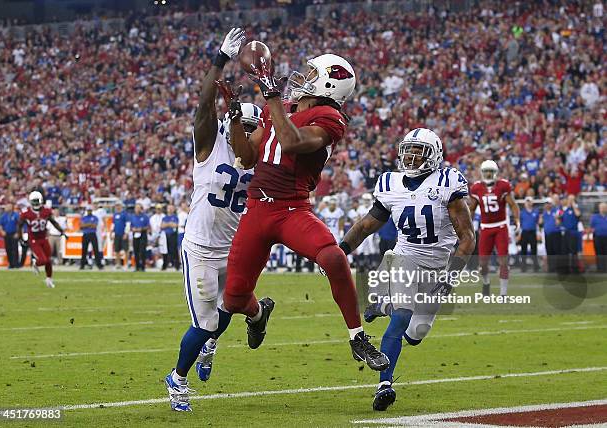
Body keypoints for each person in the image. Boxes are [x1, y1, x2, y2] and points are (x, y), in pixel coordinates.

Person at [221, 50, 388, 371]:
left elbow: (292, 142)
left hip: (291, 208)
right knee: (234, 298)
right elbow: (245, 158)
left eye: (314, 75)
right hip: (257, 208)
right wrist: (234, 119)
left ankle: (357, 337)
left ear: (329, 86)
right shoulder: (281, 108)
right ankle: (258, 316)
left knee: (333, 256)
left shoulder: (330, 118)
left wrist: (270, 96)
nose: (305, 79)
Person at [341, 128, 475, 411]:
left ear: (434, 155)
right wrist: (340, 251)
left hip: (438, 265)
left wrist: (450, 277)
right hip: (405, 258)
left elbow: (467, 239)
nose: (412, 156)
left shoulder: (448, 182)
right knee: (402, 317)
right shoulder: (391, 184)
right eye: (408, 150)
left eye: (419, 151)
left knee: (416, 333)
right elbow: (367, 225)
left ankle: (382, 305)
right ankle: (384, 385)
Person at [164, 28, 263, 412]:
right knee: (206, 323)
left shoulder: (260, 156)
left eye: (256, 130)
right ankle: (178, 379)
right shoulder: (211, 145)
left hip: (235, 249)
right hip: (202, 248)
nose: (250, 136)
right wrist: (219, 60)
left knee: (231, 308)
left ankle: (214, 341)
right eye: (245, 127)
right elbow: (203, 107)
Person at [468, 160, 520, 296]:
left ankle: (503, 294)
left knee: (503, 260)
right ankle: (486, 283)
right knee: (483, 265)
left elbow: (513, 205)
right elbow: (472, 209)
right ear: (482, 173)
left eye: (491, 171)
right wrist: (468, 225)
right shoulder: (476, 188)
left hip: (501, 226)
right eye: (486, 171)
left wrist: (517, 220)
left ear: (495, 172)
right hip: (485, 228)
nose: (488, 174)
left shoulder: (503, 186)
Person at [17, 191, 67, 288]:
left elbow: (53, 222)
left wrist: (62, 231)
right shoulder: (26, 213)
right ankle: (35, 262)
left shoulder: (46, 211)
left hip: (44, 238)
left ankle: (49, 279)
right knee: (43, 260)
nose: (36, 203)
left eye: (37, 201)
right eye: (34, 201)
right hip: (34, 240)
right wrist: (20, 238)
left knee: (48, 260)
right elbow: (19, 226)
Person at [561, 194, 582, 273]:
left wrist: (573, 205)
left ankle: (575, 269)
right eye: (569, 199)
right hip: (566, 232)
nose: (570, 200)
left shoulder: (575, 208)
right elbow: (560, 219)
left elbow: (578, 214)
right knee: (564, 251)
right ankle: (565, 269)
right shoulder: (564, 210)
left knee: (573, 252)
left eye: (572, 199)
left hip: (573, 232)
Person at [542, 196, 563, 273]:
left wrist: (558, 218)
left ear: (551, 204)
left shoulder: (556, 210)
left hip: (556, 233)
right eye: (546, 203)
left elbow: (560, 215)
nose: (547, 205)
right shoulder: (544, 213)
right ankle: (551, 268)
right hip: (547, 234)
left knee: (557, 251)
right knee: (549, 251)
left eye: (548, 203)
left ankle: (559, 268)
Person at [519, 196, 540, 272]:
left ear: (532, 202)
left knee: (534, 250)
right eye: (527, 201)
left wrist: (538, 233)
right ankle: (523, 267)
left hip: (532, 232)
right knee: (523, 250)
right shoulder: (522, 212)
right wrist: (519, 233)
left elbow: (538, 223)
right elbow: (520, 223)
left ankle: (535, 266)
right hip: (524, 232)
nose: (528, 203)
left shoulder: (536, 211)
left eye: (529, 201)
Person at [80, 206, 103, 270]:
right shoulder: (84, 218)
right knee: (84, 250)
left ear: (91, 211)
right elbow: (81, 226)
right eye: (88, 210)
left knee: (96, 250)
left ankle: (99, 265)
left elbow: (94, 226)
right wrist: (90, 224)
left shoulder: (95, 217)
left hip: (92, 234)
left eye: (90, 210)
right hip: (85, 234)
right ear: (87, 211)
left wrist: (86, 225)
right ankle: (82, 265)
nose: (89, 211)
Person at [0, 203, 20, 268]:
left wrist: (18, 233)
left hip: (14, 233)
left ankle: (16, 263)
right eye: (7, 206)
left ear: (12, 207)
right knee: (8, 249)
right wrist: (2, 231)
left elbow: (19, 224)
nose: (7, 207)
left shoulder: (16, 215)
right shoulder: (3, 216)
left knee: (15, 249)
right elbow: (0, 225)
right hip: (7, 234)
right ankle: (10, 264)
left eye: (9, 206)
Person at [130, 204, 149, 272]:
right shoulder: (133, 217)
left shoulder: (145, 217)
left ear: (141, 209)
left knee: (142, 251)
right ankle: (137, 266)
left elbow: (148, 226)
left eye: (138, 208)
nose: (137, 209)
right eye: (136, 208)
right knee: (136, 251)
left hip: (142, 234)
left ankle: (143, 267)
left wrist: (141, 229)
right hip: (135, 234)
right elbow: (130, 226)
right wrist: (133, 229)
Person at [589, 202, 607, 273]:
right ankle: (600, 268)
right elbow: (591, 227)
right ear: (599, 208)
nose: (603, 208)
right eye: (602, 207)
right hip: (598, 238)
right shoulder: (594, 217)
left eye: (605, 207)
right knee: (599, 253)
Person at [161, 204, 180, 271]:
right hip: (165, 235)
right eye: (169, 208)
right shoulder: (164, 217)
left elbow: (175, 225)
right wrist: (169, 224)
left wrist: (167, 224)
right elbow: (162, 226)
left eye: (171, 208)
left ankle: (176, 265)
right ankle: (165, 265)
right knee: (165, 250)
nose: (170, 209)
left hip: (173, 235)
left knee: (174, 250)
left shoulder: (175, 217)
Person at [112, 202, 128, 270]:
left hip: (123, 233)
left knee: (125, 249)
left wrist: (126, 233)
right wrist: (112, 232)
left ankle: (126, 264)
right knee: (117, 250)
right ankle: (118, 264)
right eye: (116, 206)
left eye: (119, 206)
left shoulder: (124, 214)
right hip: (117, 234)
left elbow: (128, 224)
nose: (118, 207)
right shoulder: (115, 214)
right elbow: (113, 224)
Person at [150, 204, 166, 268]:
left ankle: (163, 263)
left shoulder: (164, 216)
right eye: (157, 209)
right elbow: (153, 227)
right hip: (155, 234)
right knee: (155, 250)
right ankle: (156, 263)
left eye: (159, 209)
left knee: (163, 250)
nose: (158, 210)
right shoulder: (152, 218)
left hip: (162, 234)